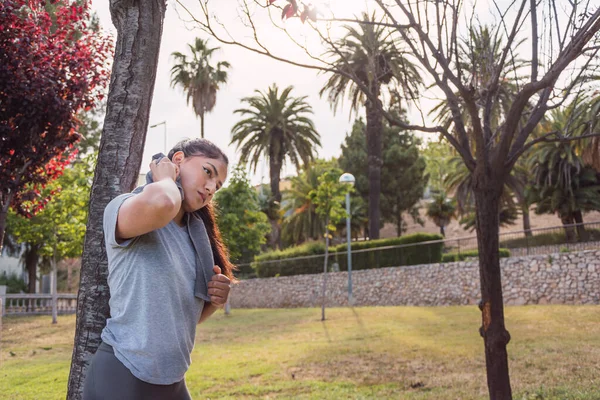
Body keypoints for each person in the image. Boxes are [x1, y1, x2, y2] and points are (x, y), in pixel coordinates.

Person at [83, 138, 235, 400]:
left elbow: (181, 316)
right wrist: (163, 176)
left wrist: (216, 298)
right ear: (177, 160)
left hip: (173, 381)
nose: (211, 188)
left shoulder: (195, 239)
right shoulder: (126, 206)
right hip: (123, 374)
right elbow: (163, 202)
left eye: (217, 186)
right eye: (207, 172)